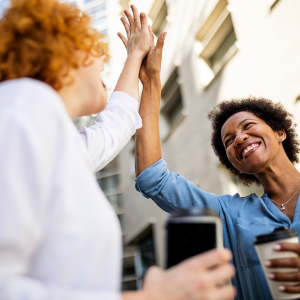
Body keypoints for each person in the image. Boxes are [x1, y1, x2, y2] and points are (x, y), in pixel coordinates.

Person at [0, 0, 236, 299]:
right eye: (91, 46)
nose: (102, 57)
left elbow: (116, 125)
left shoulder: (54, 137)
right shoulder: (22, 106)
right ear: (65, 52)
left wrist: (136, 56)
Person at [134, 29, 300, 300]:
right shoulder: (231, 213)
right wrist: (151, 81)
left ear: (280, 132)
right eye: (229, 141)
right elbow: (154, 179)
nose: (240, 138)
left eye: (248, 126)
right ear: (235, 165)